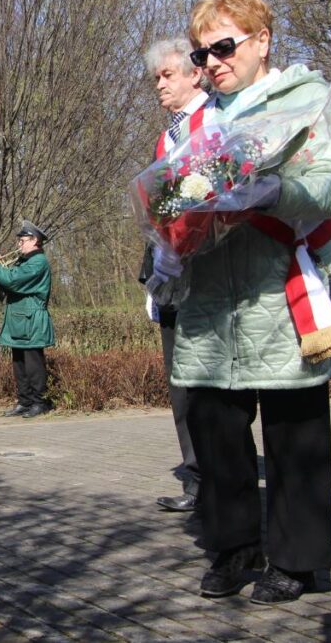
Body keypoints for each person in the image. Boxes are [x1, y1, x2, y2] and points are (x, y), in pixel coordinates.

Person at [173, 0, 331, 604]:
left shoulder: (305, 100)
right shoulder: (196, 120)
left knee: (292, 427)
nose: (212, 63)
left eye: (223, 47)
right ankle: (234, 548)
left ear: (262, 41)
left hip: (276, 289)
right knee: (213, 425)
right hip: (207, 298)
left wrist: (276, 193)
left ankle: (298, 561)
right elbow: (175, 197)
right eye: (201, 55)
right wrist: (170, 236)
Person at [140, 37, 209, 513]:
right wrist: (153, 270)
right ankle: (196, 480)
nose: (159, 85)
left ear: (194, 74)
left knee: (211, 387)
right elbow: (159, 210)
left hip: (211, 274)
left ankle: (222, 481)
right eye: (156, 78)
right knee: (180, 384)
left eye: (167, 75)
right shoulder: (167, 136)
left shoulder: (218, 121)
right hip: (170, 277)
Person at [0, 221, 54, 417]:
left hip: (31, 319)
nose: (19, 244)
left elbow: (13, 281)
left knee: (33, 363)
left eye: (22, 240)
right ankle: (24, 401)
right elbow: (8, 283)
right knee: (19, 364)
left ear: (35, 240)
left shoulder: (38, 262)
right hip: (19, 317)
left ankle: (39, 402)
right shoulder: (24, 261)